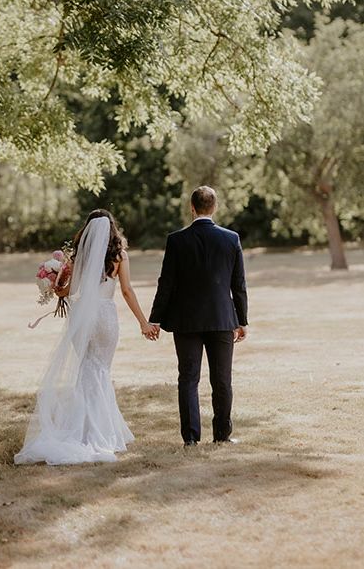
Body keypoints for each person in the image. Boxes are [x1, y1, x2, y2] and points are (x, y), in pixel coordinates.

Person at [15, 209, 157, 465]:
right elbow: (126, 291)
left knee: (86, 370)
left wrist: (54, 286)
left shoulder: (80, 255)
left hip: (82, 318)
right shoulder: (119, 256)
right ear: (112, 229)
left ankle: (85, 427)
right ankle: (97, 431)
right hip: (104, 316)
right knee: (100, 370)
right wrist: (143, 322)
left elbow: (69, 291)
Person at [148, 186, 248, 446]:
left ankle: (191, 438)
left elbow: (166, 282)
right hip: (222, 319)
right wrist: (242, 320)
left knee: (188, 378)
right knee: (222, 380)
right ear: (213, 207)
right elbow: (239, 285)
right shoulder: (231, 238)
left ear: (191, 207)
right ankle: (222, 437)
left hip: (186, 320)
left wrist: (155, 318)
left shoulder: (176, 240)